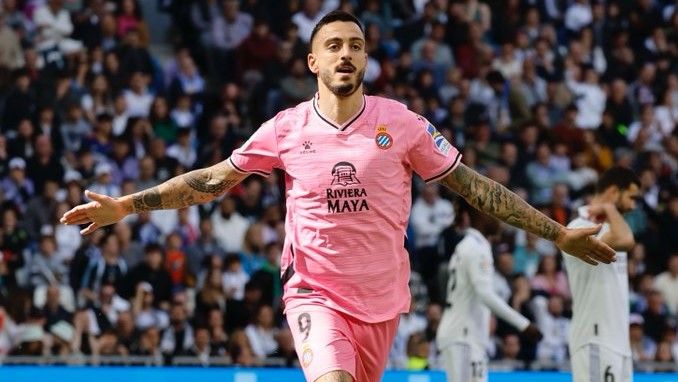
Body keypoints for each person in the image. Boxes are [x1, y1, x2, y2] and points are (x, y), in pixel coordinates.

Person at [61, 11, 615, 382]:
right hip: (313, 293)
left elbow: (475, 188)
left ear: (366, 58)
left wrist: (558, 232)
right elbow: (211, 180)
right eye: (333, 46)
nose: (345, 53)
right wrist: (126, 206)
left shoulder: (402, 125)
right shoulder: (286, 127)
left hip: (382, 302)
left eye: (355, 45)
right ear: (313, 62)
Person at [437, 201, 543, 382]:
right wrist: (523, 324)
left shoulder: (471, 245)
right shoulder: (476, 248)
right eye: (495, 213)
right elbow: (484, 294)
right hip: (463, 336)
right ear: (482, 216)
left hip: (467, 336)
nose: (500, 219)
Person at [562, 167, 640, 382]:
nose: (633, 206)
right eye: (631, 197)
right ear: (614, 191)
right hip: (595, 339)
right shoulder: (579, 227)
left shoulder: (610, 228)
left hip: (618, 344)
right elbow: (626, 240)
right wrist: (607, 206)